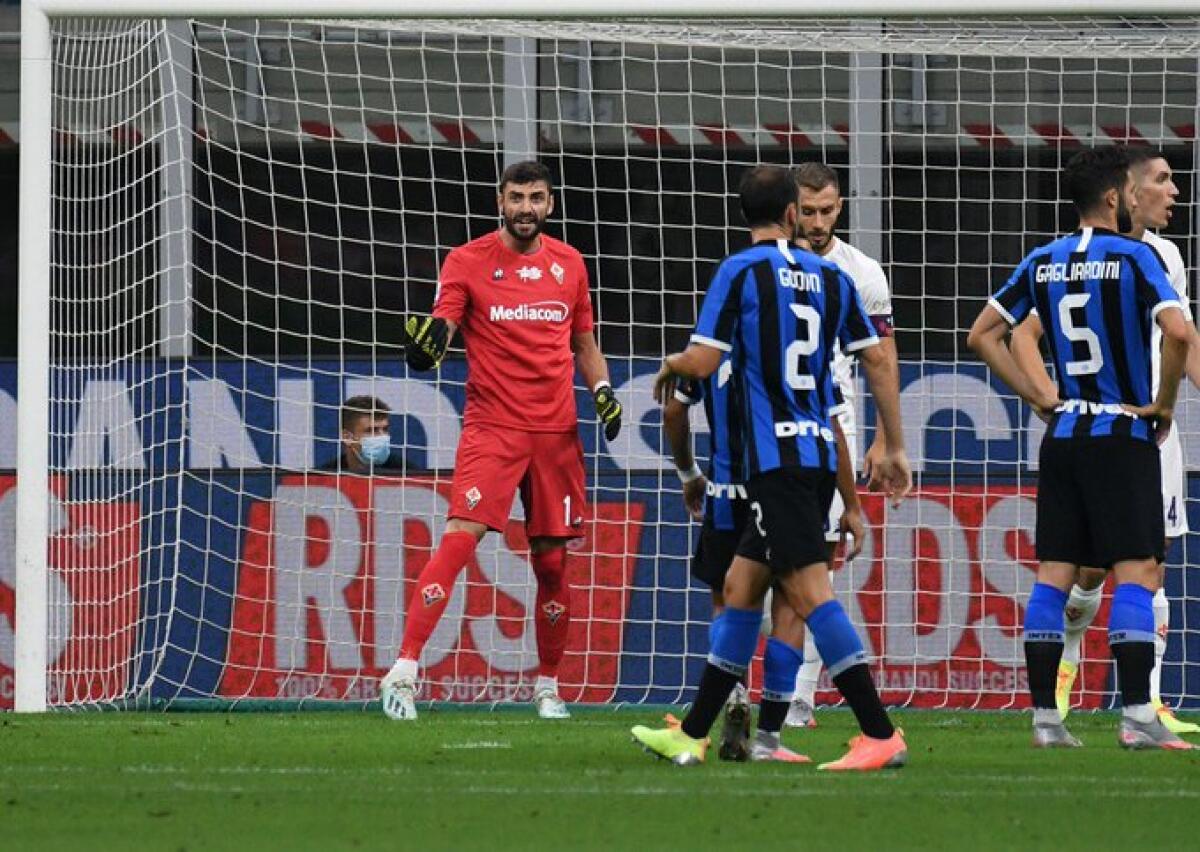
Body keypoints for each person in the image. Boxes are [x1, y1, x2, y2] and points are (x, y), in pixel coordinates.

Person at [634, 165, 912, 771]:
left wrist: (670, 361)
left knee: (810, 595)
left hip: (775, 462)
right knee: (740, 588)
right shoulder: (832, 276)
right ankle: (694, 731)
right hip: (817, 453)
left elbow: (703, 363)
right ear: (792, 214)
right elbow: (880, 362)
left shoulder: (739, 271)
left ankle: (880, 732)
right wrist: (893, 443)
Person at [967, 146, 1194, 750]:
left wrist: (1038, 397)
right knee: (1139, 572)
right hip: (1121, 434)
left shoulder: (1044, 260)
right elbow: (1178, 333)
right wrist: (1163, 403)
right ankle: (1138, 716)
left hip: (1063, 434)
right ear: (1116, 197)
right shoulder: (1135, 255)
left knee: (1053, 576)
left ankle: (1046, 720)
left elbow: (983, 334)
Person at [378, 161, 622, 721]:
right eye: (517, 197)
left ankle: (548, 687)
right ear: (500, 202)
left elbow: (584, 344)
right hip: (493, 429)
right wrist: (425, 348)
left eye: (537, 198)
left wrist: (604, 390)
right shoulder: (466, 260)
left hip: (556, 434)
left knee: (553, 564)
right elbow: (442, 326)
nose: (527, 207)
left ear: (551, 204)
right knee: (460, 539)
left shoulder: (570, 264)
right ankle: (404, 672)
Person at [663, 355, 863, 763]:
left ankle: (732, 692)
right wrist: (852, 502)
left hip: (727, 489)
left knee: (729, 598)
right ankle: (769, 736)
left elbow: (673, 411)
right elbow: (835, 425)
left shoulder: (710, 346)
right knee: (793, 606)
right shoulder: (804, 344)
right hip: (790, 482)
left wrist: (688, 474)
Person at [785, 162, 899, 728]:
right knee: (753, 574)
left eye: (827, 210)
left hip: (834, 434)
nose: (817, 221)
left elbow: (880, 358)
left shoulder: (863, 273)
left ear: (840, 206)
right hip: (768, 431)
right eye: (808, 211)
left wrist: (885, 437)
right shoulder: (766, 265)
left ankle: (800, 695)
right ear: (790, 208)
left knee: (818, 569)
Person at [319, 395, 405, 473]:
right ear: (347, 437)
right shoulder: (324, 477)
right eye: (372, 430)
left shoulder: (406, 472)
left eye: (385, 429)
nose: (382, 436)